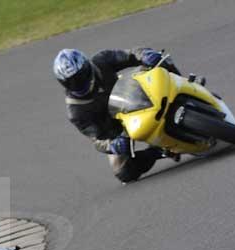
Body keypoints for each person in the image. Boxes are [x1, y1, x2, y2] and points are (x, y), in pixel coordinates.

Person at [53, 47, 182, 183]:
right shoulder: (75, 111)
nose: (79, 82)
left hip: (133, 93)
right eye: (71, 82)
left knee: (158, 60)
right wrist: (112, 145)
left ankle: (184, 85)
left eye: (80, 76)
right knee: (123, 171)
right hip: (117, 127)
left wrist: (144, 55)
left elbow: (130, 54)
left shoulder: (101, 60)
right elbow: (96, 139)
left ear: (87, 66)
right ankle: (160, 151)